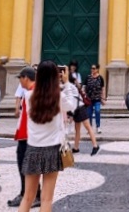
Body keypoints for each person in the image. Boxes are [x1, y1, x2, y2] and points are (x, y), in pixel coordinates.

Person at [17, 61, 78, 212]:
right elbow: (72, 105)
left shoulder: (28, 95)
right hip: (52, 149)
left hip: (33, 149)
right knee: (47, 198)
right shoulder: (58, 96)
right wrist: (67, 83)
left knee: (27, 198)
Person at [8, 65, 37, 208]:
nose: (20, 81)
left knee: (24, 166)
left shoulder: (30, 93)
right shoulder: (34, 91)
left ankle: (26, 194)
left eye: (20, 78)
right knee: (29, 167)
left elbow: (28, 117)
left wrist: (22, 135)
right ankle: (32, 194)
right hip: (28, 135)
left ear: (26, 78)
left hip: (27, 136)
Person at [65, 67, 99, 156]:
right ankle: (76, 148)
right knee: (77, 129)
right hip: (77, 109)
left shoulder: (69, 86)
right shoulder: (72, 85)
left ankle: (95, 146)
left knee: (87, 127)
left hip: (80, 108)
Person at [84, 64, 106, 135]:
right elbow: (84, 87)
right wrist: (84, 95)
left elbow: (103, 88)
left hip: (97, 99)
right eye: (91, 68)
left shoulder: (100, 78)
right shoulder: (88, 77)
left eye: (94, 68)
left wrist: (103, 98)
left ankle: (98, 126)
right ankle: (89, 128)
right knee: (89, 114)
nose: (92, 70)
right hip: (89, 99)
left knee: (97, 111)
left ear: (97, 69)